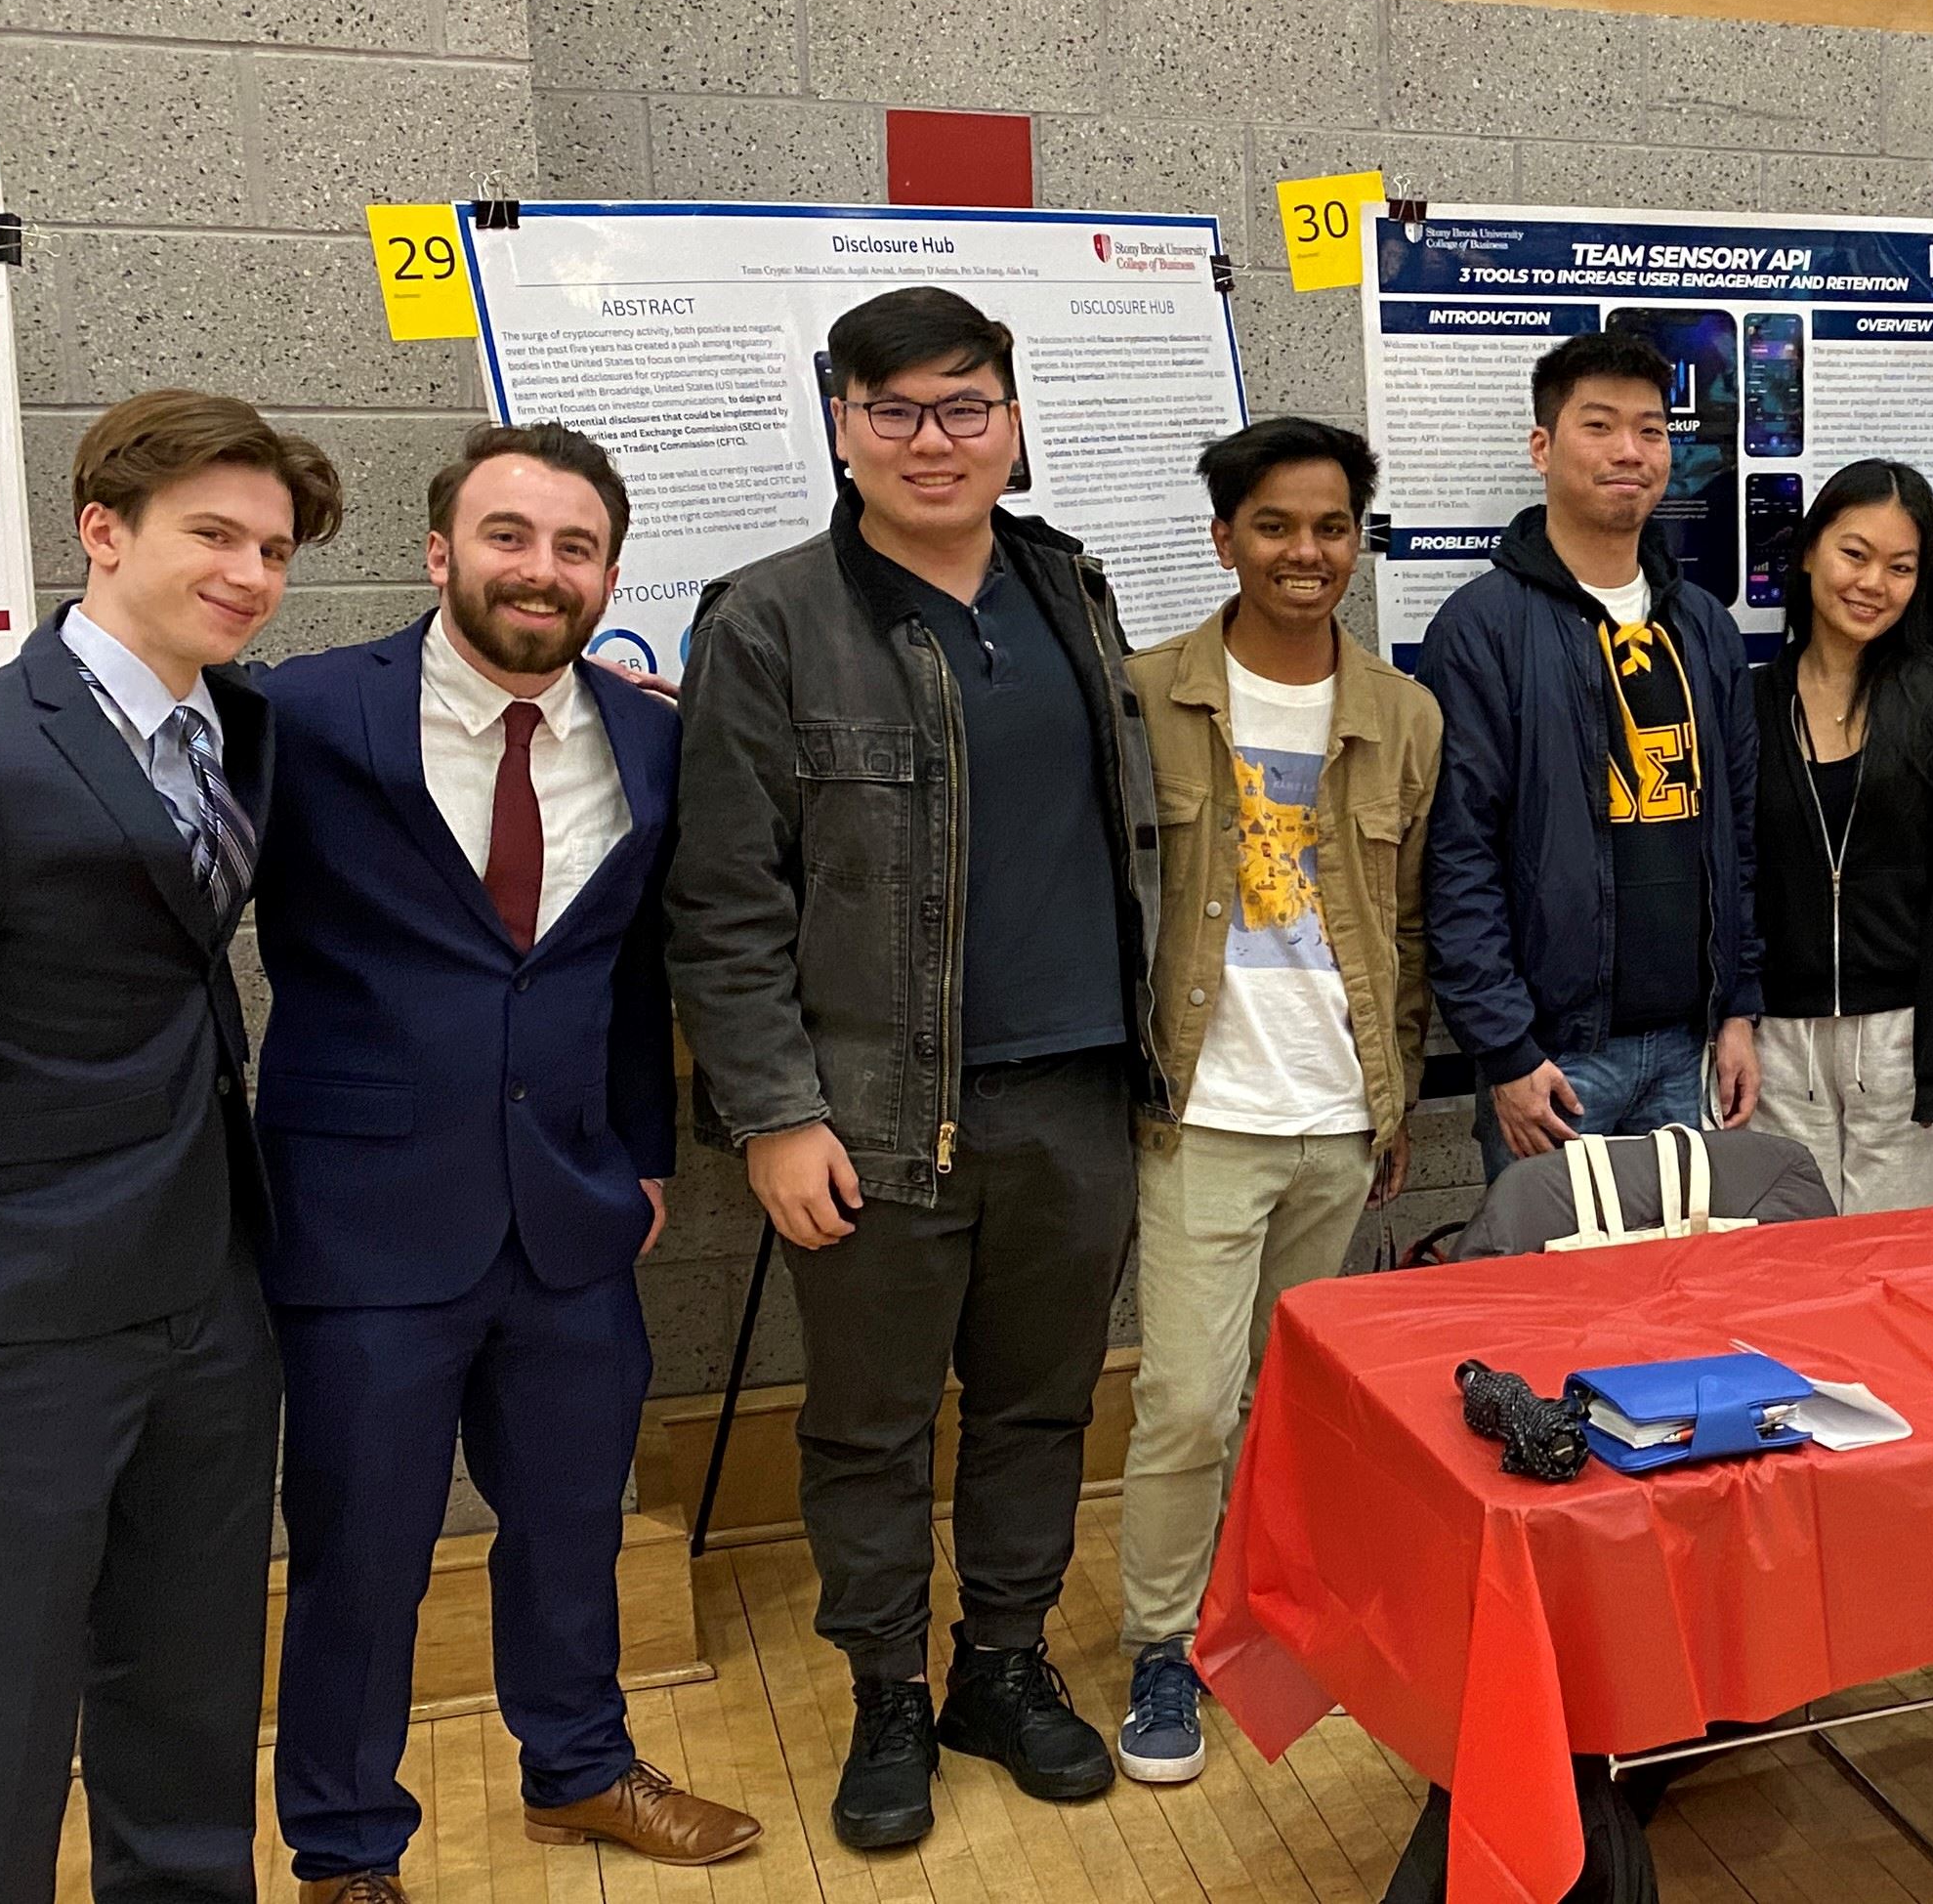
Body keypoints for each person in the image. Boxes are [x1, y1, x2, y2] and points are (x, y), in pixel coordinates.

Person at [669, 286, 1166, 1849]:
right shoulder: (766, 620)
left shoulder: (1070, 587)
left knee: (1039, 1407)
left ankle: (1000, 1668)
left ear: (1012, 423)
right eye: (893, 410)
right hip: (873, 1117)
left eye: (965, 406)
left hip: (1078, 1091)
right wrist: (773, 1114)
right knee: (870, 1426)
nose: (931, 441)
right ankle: (887, 1689)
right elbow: (724, 900)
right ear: (842, 427)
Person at [251, 425, 758, 1901]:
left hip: (572, 1216)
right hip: (364, 1223)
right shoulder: (301, 716)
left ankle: (581, 1766)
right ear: (439, 553)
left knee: (571, 1524)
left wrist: (646, 1153)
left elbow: (629, 970)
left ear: (608, 574)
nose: (541, 570)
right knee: (363, 1555)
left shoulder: (649, 739)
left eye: (575, 546)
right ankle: (346, 1849)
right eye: (509, 535)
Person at [0, 392, 340, 1903]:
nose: (249, 574)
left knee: (191, 1685)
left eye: (273, 551)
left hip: (207, 1288)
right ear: (103, 530)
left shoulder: (240, 729)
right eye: (214, 535)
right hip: (14, 1327)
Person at [1113, 417, 1439, 1790]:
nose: (1306, 552)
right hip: (1203, 1111)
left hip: (1338, 1112)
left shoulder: (1403, 715)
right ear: (1224, 538)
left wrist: (1392, 1099)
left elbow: (1406, 927)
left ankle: (1273, 1620)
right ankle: (1161, 1641)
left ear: (1357, 542)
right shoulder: (1145, 695)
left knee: (1293, 1409)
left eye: (1331, 527)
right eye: (1275, 526)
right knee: (1190, 1400)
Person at [1422, 330, 1763, 1164]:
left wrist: (1738, 1009)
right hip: (1554, 1062)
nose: (1630, 452)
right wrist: (1506, 1049)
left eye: (1651, 430)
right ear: (1542, 448)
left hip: (1689, 1050)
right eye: (1599, 426)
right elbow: (1457, 856)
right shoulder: (1482, 629)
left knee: (1687, 1253)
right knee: (1552, 1255)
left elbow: (1742, 835)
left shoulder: (1704, 627)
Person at [1751, 460, 1933, 1212]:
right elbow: (1730, 878)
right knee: (1783, 1262)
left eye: (1901, 567)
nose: (1872, 584)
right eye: (1854, 554)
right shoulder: (1752, 700)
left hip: (1905, 1044)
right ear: (1809, 552)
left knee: (1891, 1265)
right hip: (1775, 1046)